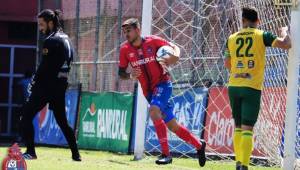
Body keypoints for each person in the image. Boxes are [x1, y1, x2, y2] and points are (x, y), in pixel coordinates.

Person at [118, 18, 206, 166]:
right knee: (172, 126)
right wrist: (130, 75)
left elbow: (175, 49)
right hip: (148, 91)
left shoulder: (153, 41)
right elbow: (121, 73)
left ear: (138, 30)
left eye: (129, 31)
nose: (126, 34)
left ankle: (166, 154)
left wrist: (173, 58)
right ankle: (199, 145)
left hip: (163, 84)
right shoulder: (125, 49)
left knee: (153, 110)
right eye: (124, 31)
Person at [224, 7, 291, 170]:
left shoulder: (231, 38)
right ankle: (244, 165)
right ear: (258, 21)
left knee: (238, 126)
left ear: (243, 21)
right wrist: (285, 31)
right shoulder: (262, 35)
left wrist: (239, 73)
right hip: (251, 87)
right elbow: (286, 44)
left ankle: (238, 163)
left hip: (233, 86)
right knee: (247, 128)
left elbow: (227, 63)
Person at [20, 9, 81, 161]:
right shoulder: (66, 38)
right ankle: (76, 155)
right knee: (62, 122)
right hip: (60, 85)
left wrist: (33, 82)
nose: (40, 28)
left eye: (42, 24)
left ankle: (30, 152)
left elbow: (44, 67)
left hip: (47, 85)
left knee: (25, 116)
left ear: (50, 23)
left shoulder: (51, 40)